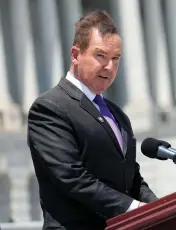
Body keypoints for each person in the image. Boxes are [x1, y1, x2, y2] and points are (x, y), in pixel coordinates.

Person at [27, 9, 158, 230]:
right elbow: (72, 178)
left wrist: (160, 207)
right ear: (76, 55)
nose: (109, 67)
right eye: (100, 56)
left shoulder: (117, 114)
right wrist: (133, 208)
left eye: (115, 58)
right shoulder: (49, 108)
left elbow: (131, 178)